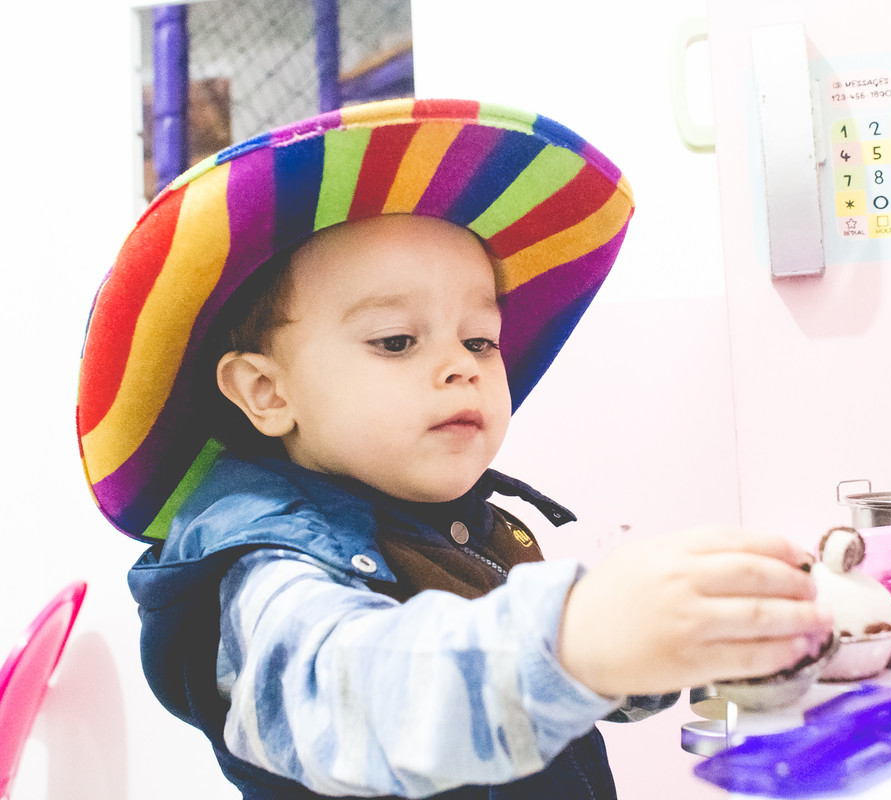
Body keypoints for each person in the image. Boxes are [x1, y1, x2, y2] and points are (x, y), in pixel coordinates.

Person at [76, 98, 832, 799]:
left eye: (481, 339)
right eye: (397, 340)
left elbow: (557, 688)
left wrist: (688, 631)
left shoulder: (464, 524)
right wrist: (577, 634)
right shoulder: (263, 569)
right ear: (268, 393)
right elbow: (359, 698)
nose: (460, 365)